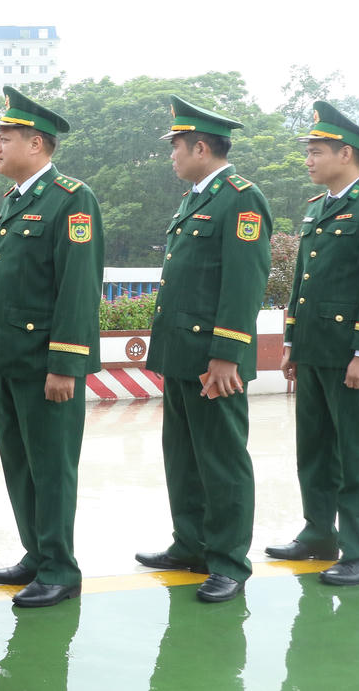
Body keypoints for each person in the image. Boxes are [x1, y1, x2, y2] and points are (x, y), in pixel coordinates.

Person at [135, 95, 271, 603]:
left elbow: (244, 282)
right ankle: (190, 544)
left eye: (175, 146)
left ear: (200, 146)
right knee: (184, 457)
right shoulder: (195, 198)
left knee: (221, 460)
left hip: (214, 359)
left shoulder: (241, 198)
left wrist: (226, 354)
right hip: (180, 355)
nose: (171, 154)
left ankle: (229, 562)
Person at [0, 85, 103, 608]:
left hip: (46, 365)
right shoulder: (15, 201)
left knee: (51, 467)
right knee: (20, 464)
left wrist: (66, 364)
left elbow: (78, 287)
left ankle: (59, 567)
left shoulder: (72, 200)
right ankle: (36, 552)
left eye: (5, 137)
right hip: (10, 362)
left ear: (36, 143)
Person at [269, 100, 359, 586]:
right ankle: (319, 533)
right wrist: (293, 341)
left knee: (358, 453)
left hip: (351, 354)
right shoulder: (319, 209)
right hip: (315, 349)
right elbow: (302, 283)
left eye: (316, 151)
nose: (308, 159)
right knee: (314, 448)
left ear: (347, 153)